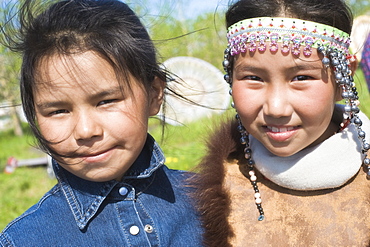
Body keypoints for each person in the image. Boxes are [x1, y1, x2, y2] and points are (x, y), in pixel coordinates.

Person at [0, 0, 202, 246]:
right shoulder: (23, 240)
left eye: (106, 101)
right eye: (58, 111)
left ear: (154, 94)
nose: (86, 131)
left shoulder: (214, 202)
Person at [195, 0, 370, 246]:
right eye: (253, 77)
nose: (276, 108)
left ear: (343, 79)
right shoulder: (212, 190)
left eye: (301, 77)